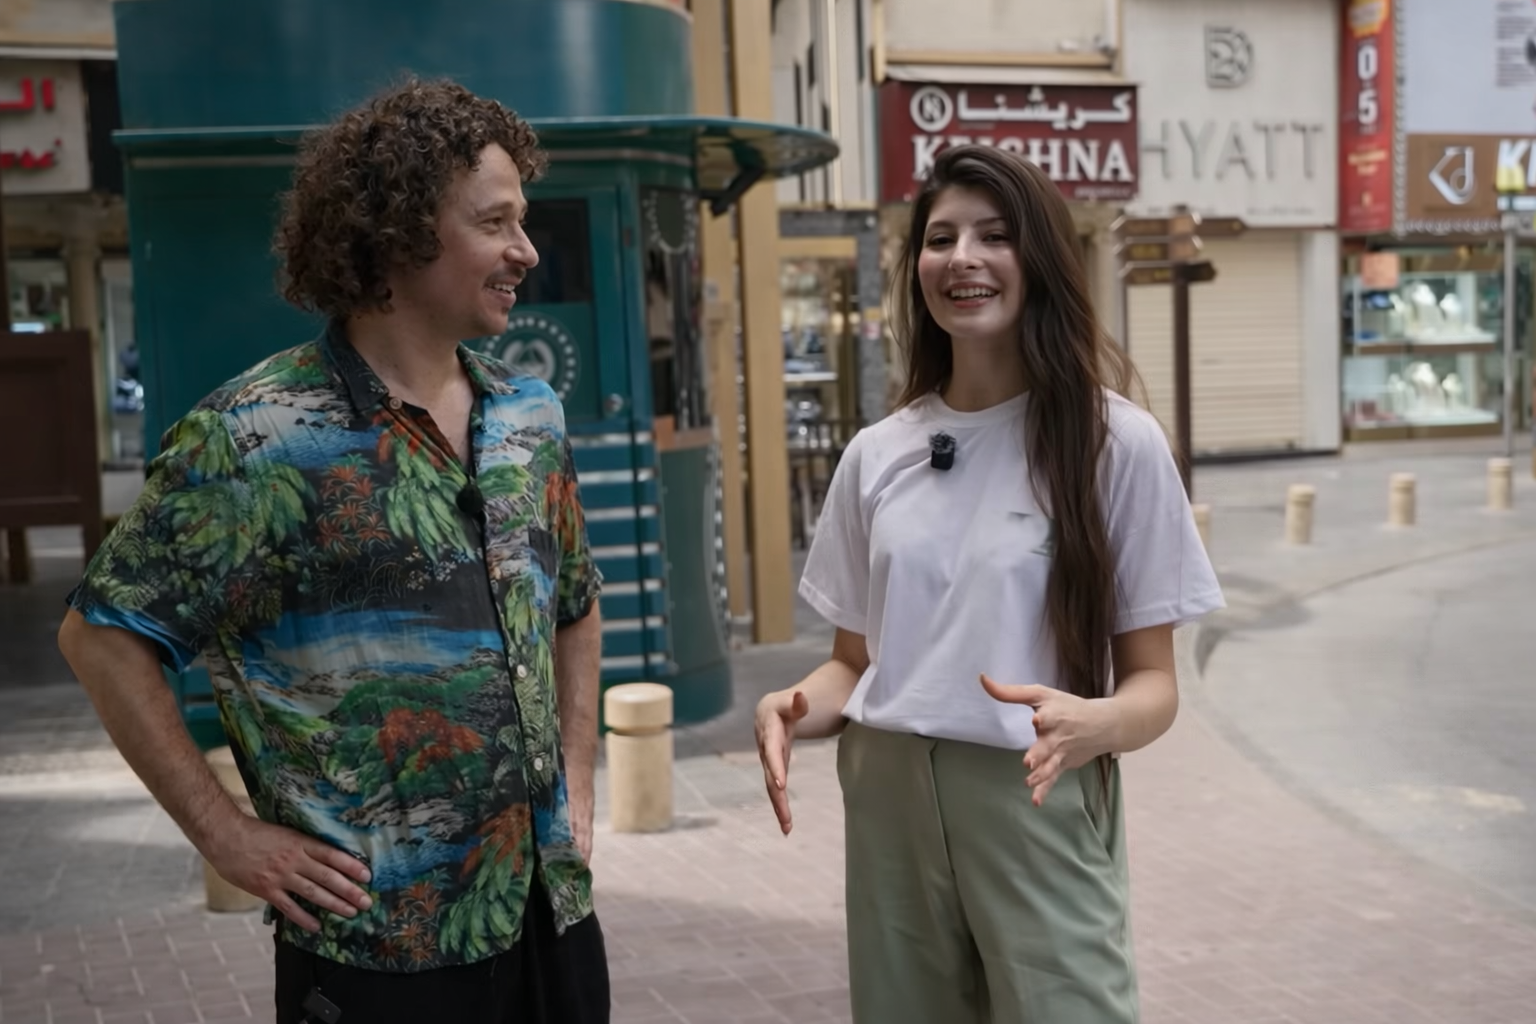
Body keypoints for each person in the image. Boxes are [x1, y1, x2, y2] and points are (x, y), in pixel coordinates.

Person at [57, 78, 610, 1024]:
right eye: (495, 223)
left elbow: (576, 605)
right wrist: (226, 835)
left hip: (550, 916)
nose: (525, 249)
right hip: (376, 951)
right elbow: (102, 637)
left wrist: (580, 783)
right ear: (398, 235)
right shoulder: (252, 438)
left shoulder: (530, 413)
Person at [754, 145, 1225, 1024]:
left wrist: (1095, 724)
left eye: (994, 236)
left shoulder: (1114, 443)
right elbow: (854, 664)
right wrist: (794, 706)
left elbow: (1155, 688)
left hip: (1035, 790)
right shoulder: (877, 455)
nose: (962, 258)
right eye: (941, 239)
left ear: (1039, 259)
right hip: (887, 794)